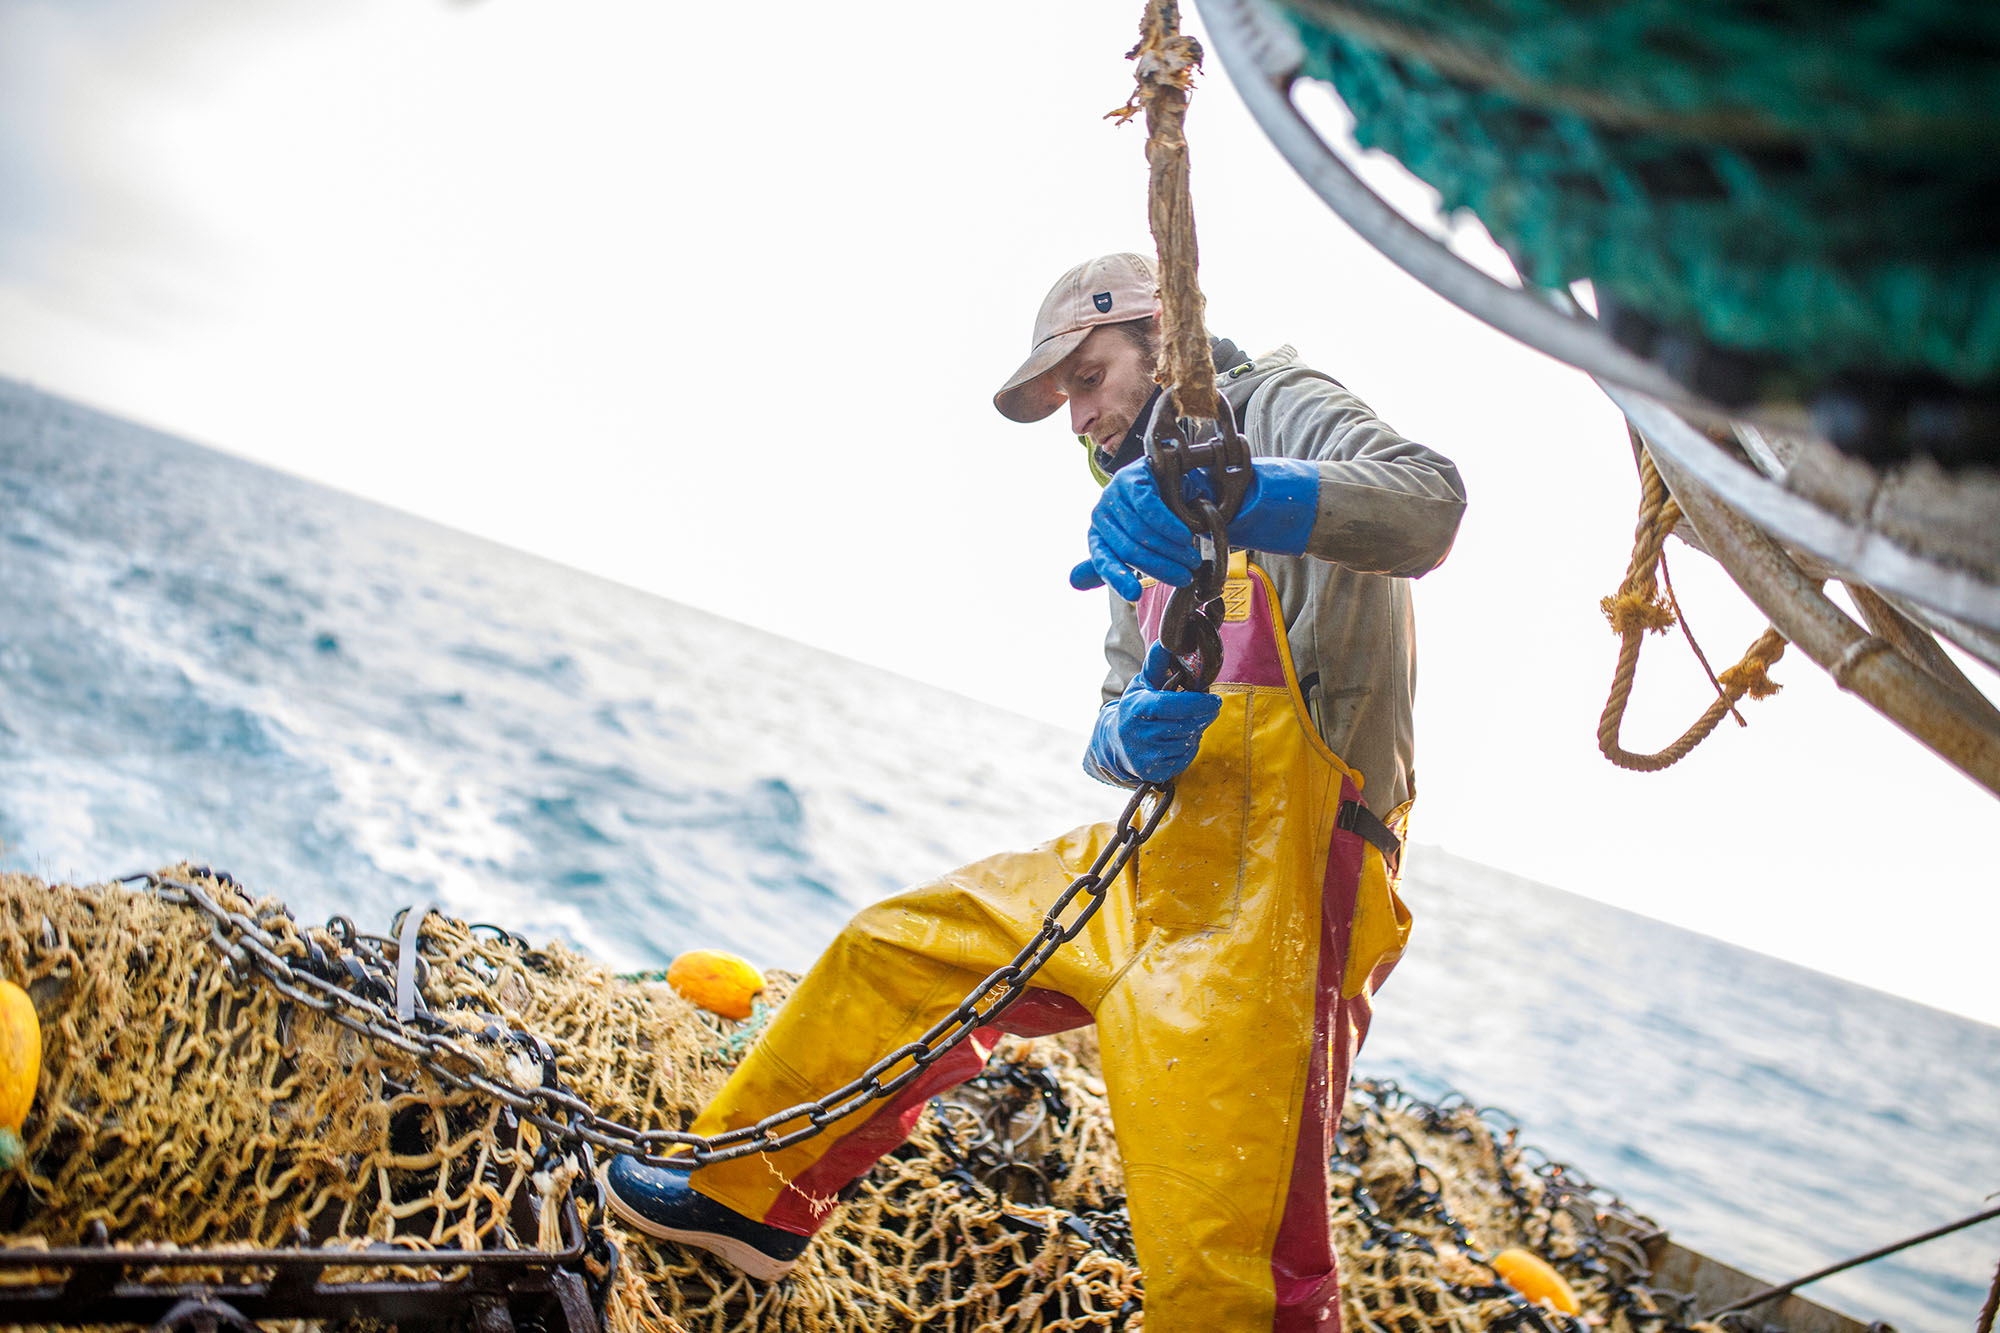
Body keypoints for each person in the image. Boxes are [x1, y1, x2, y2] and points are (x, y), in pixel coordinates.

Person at [604, 252, 1467, 1332]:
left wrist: (1244, 492)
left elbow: (1429, 507)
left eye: (1088, 377)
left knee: (1228, 1241)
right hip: (1153, 859)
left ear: (1167, 339)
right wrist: (1130, 730)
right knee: (903, 950)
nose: (1076, 418)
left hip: (1293, 889)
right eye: (1061, 396)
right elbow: (1106, 726)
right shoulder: (1130, 522)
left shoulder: (1277, 406)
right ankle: (750, 1202)